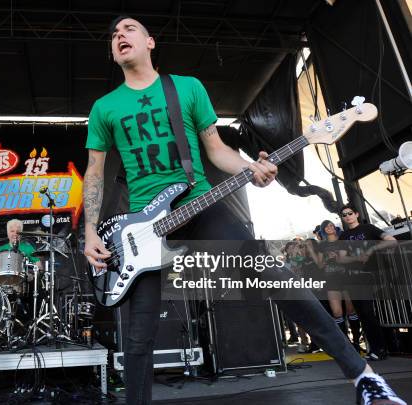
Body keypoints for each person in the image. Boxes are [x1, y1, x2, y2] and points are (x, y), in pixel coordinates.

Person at [82, 16, 406, 405]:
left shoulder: (186, 88)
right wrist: (89, 232)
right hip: (142, 230)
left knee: (275, 276)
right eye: (114, 34)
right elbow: (95, 171)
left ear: (150, 42)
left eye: (129, 29)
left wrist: (251, 169)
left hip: (198, 203)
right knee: (139, 333)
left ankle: (365, 379)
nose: (120, 36)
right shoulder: (105, 107)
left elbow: (216, 150)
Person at [338, 204, 397, 361]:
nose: (348, 216)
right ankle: (376, 349)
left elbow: (392, 241)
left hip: (371, 276)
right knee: (363, 314)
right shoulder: (343, 236)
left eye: (350, 213)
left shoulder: (369, 228)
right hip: (353, 277)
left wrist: (372, 249)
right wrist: (357, 258)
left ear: (356, 214)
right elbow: (341, 258)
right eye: (344, 215)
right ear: (342, 218)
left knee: (370, 312)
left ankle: (381, 348)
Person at [310, 220, 363, 351]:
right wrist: (327, 258)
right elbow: (320, 265)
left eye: (331, 225)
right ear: (323, 230)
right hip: (331, 280)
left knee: (351, 310)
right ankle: (346, 344)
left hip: (346, 277)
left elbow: (351, 257)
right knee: (337, 312)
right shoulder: (322, 246)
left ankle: (356, 342)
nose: (330, 227)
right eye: (327, 226)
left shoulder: (343, 239)